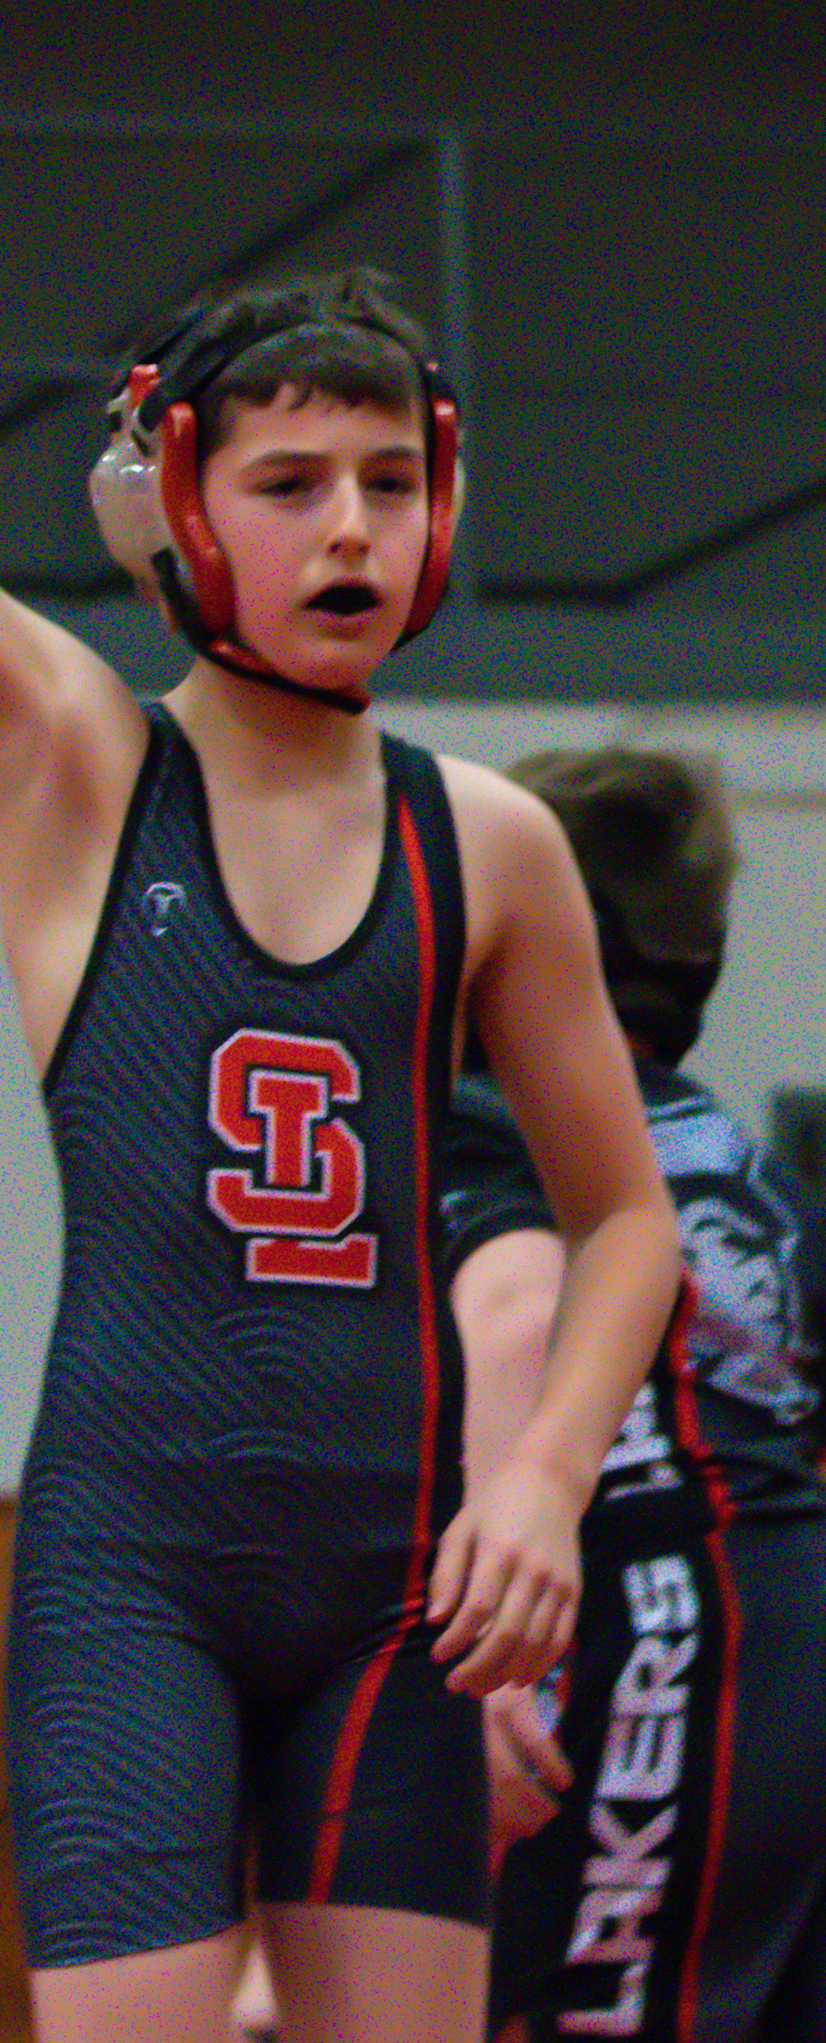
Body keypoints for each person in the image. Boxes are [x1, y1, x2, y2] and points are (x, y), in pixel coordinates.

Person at [0, 0, 685, 2043]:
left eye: (388, 483)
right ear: (177, 504)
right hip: (133, 1578)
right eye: (292, 482)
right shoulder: (69, 752)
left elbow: (625, 1219)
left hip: (398, 1603)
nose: (350, 528)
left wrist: (545, 1473)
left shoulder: (491, 843)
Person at [444, 746, 826, 2041]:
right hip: (781, 1628)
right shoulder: (756, 1172)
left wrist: (486, 1657)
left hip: (646, 1642)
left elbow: (515, 1319)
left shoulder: (494, 1121)